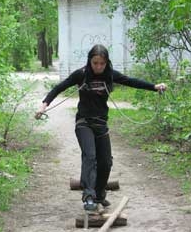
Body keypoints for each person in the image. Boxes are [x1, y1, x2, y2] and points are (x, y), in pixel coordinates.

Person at [36, 44, 166, 211]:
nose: (98, 67)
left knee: (106, 162)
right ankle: (88, 197)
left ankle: (99, 194)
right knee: (90, 156)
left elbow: (132, 81)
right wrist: (43, 105)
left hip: (101, 124)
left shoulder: (110, 75)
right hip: (84, 123)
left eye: (101, 63)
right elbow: (59, 88)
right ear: (90, 61)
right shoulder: (81, 75)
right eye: (95, 63)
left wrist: (154, 87)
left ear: (106, 63)